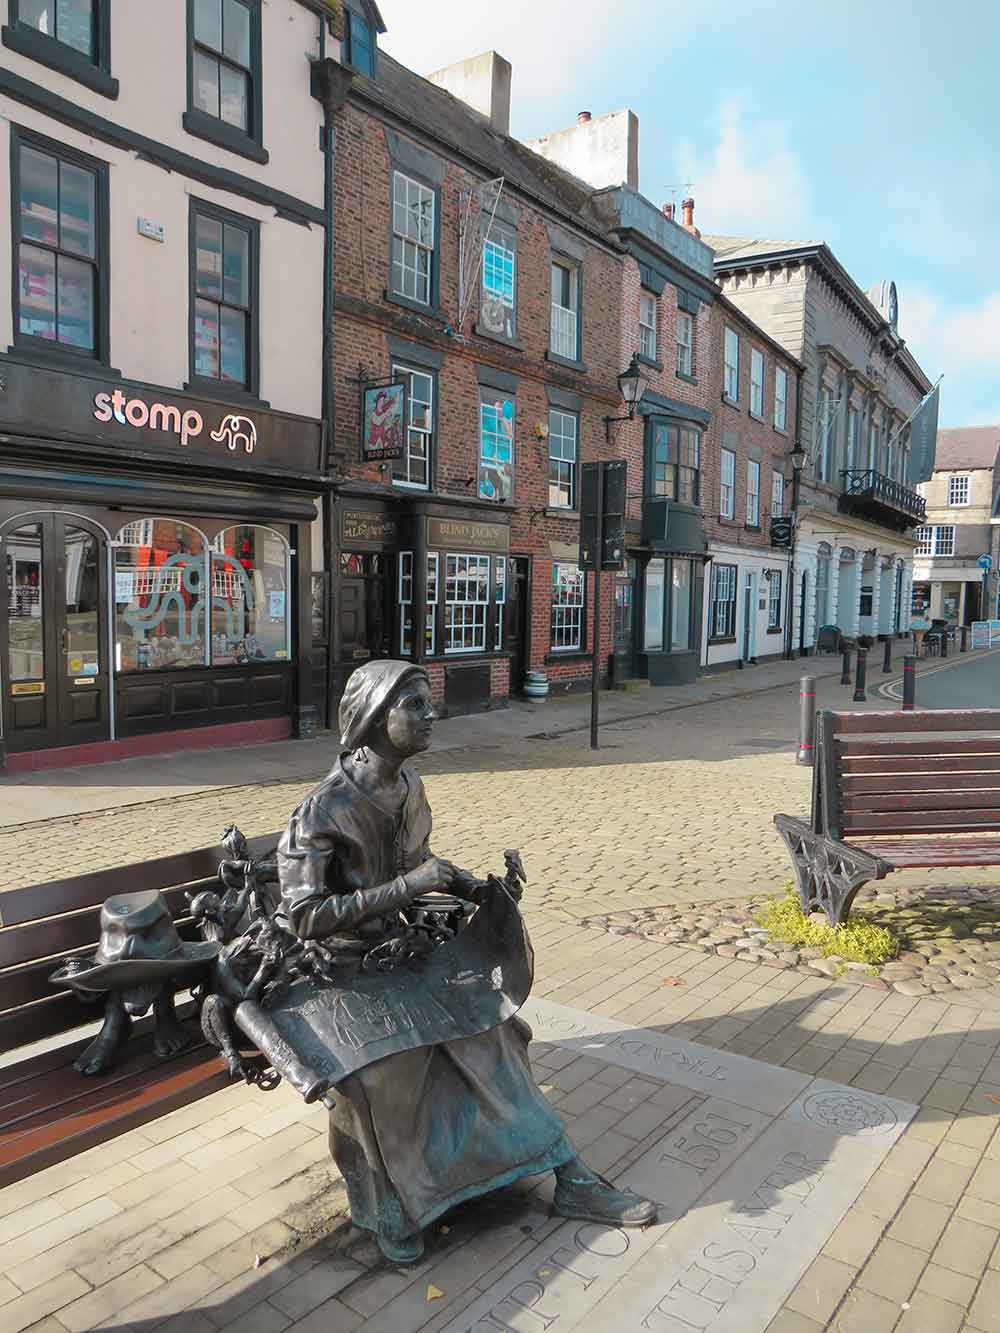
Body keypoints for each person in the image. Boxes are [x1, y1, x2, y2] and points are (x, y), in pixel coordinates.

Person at [277, 660, 656, 1263]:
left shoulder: (410, 788)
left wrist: (475, 889)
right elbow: (303, 917)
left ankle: (571, 1175)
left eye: (431, 705)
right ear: (375, 718)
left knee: (494, 1030)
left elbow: (418, 868)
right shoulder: (323, 809)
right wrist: (408, 888)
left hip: (399, 955)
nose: (433, 717)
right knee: (383, 1071)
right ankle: (387, 1206)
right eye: (416, 707)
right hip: (338, 971)